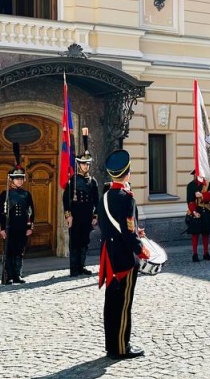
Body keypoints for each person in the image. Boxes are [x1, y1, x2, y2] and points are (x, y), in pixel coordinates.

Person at [97, 149, 149, 360]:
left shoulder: (106, 196)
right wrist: (141, 248)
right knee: (123, 303)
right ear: (127, 173)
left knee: (112, 303)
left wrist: (135, 232)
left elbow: (111, 226)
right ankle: (120, 347)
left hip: (110, 255)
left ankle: (112, 344)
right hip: (124, 259)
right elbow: (127, 232)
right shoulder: (126, 198)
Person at [63, 137, 98, 276]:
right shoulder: (73, 181)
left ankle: (82, 265)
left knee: (85, 242)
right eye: (84, 164)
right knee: (75, 243)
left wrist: (95, 215)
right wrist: (68, 215)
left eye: (88, 164)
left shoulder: (92, 181)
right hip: (75, 217)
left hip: (87, 217)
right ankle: (74, 268)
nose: (86, 166)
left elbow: (96, 200)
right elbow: (66, 200)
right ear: (79, 165)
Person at [0, 166, 35, 284]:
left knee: (19, 252)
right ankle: (7, 276)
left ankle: (17, 275)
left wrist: (29, 227)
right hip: (9, 228)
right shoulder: (5, 194)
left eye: (21, 178)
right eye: (17, 179)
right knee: (8, 252)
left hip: (21, 227)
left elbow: (31, 211)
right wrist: (1, 228)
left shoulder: (26, 194)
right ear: (11, 180)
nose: (19, 181)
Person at [185, 169, 210, 262]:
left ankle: (206, 253)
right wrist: (194, 212)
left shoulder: (208, 184)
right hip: (196, 209)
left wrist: (202, 195)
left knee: (206, 233)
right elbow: (190, 200)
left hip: (206, 210)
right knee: (195, 234)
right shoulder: (191, 185)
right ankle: (195, 254)